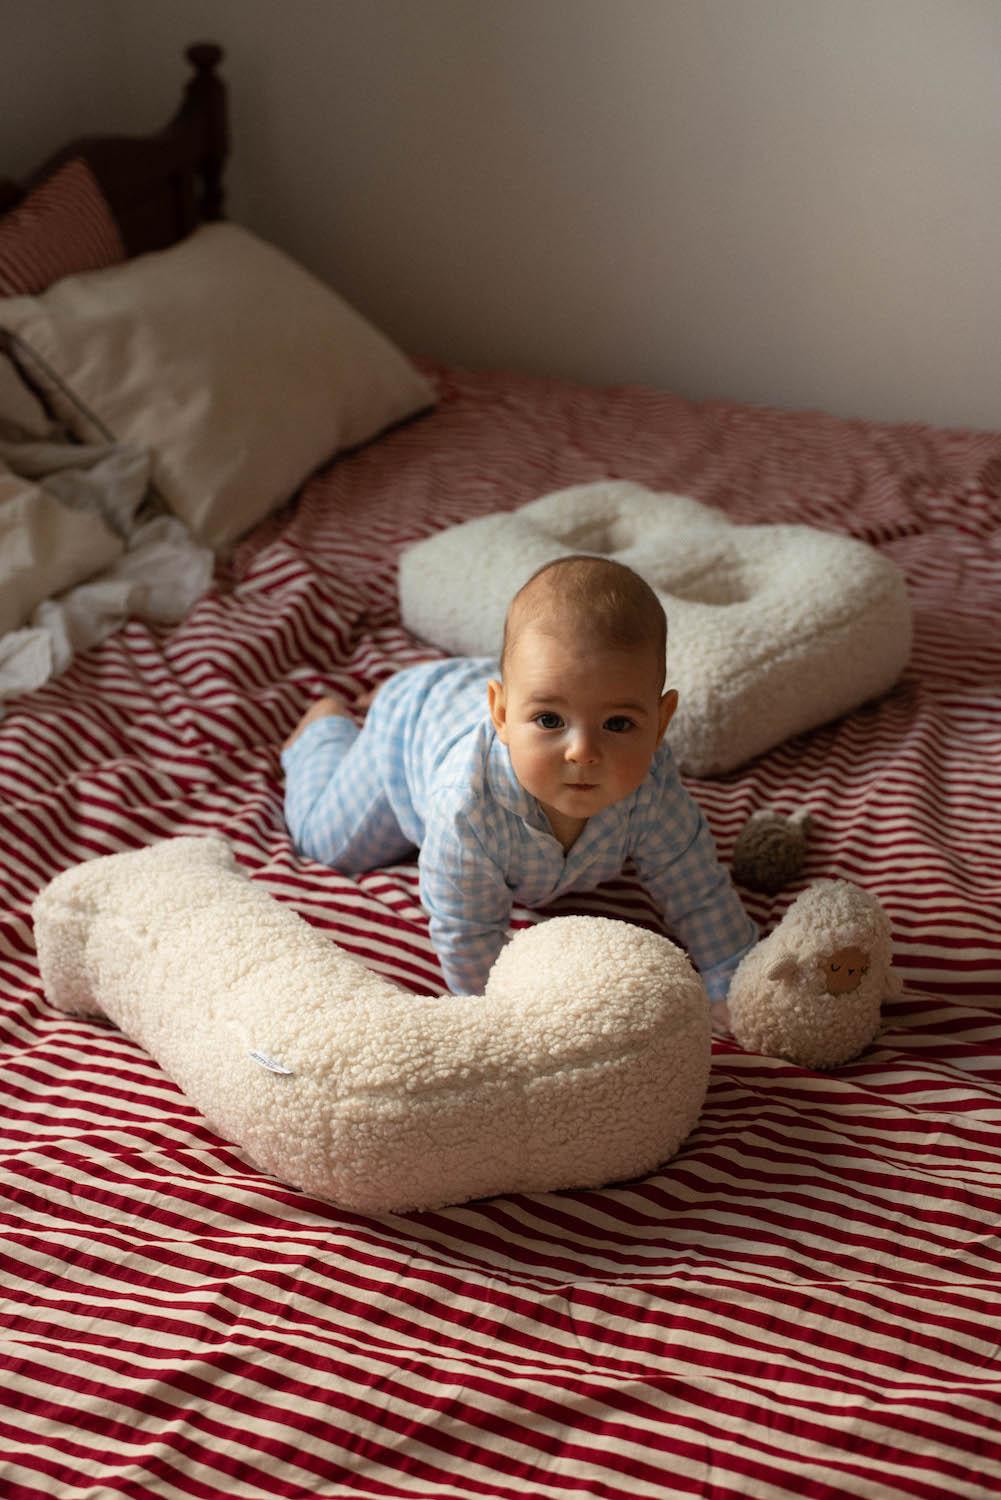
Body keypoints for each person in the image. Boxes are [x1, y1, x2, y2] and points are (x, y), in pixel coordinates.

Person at [281, 555, 757, 1003]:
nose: (584, 752)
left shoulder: (652, 784)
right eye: (550, 721)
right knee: (323, 843)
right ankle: (325, 726)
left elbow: (698, 889)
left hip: (488, 690)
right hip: (409, 730)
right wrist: (508, 1015)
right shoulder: (467, 803)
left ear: (660, 721)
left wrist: (730, 981)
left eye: (618, 724)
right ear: (502, 716)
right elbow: (466, 929)